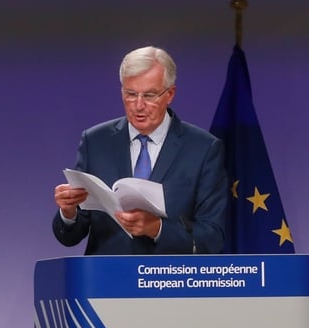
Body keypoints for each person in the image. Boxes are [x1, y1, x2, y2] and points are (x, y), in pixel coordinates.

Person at [52, 46, 226, 255]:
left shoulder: (203, 149)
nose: (139, 105)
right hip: (107, 281)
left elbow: (213, 237)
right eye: (131, 94)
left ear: (170, 94)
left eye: (150, 95)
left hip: (170, 281)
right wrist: (68, 212)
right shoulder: (95, 141)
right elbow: (70, 236)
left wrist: (157, 229)